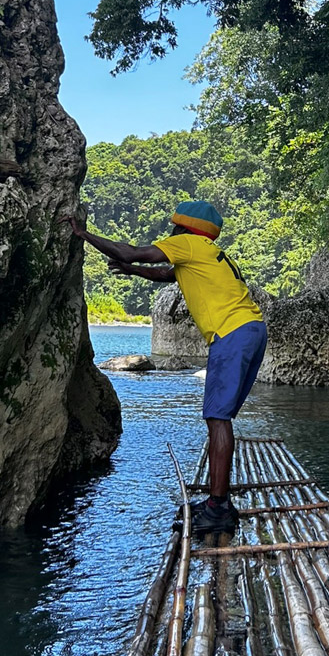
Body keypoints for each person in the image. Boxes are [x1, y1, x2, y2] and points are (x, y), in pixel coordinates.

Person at [68, 200, 267, 535]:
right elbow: (166, 274)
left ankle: (218, 508)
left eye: (173, 226)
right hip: (252, 330)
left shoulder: (186, 243)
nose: (169, 232)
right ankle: (219, 501)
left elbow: (129, 251)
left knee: (217, 419)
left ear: (183, 227)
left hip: (230, 333)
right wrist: (131, 272)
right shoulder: (212, 253)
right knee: (221, 417)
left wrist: (83, 234)